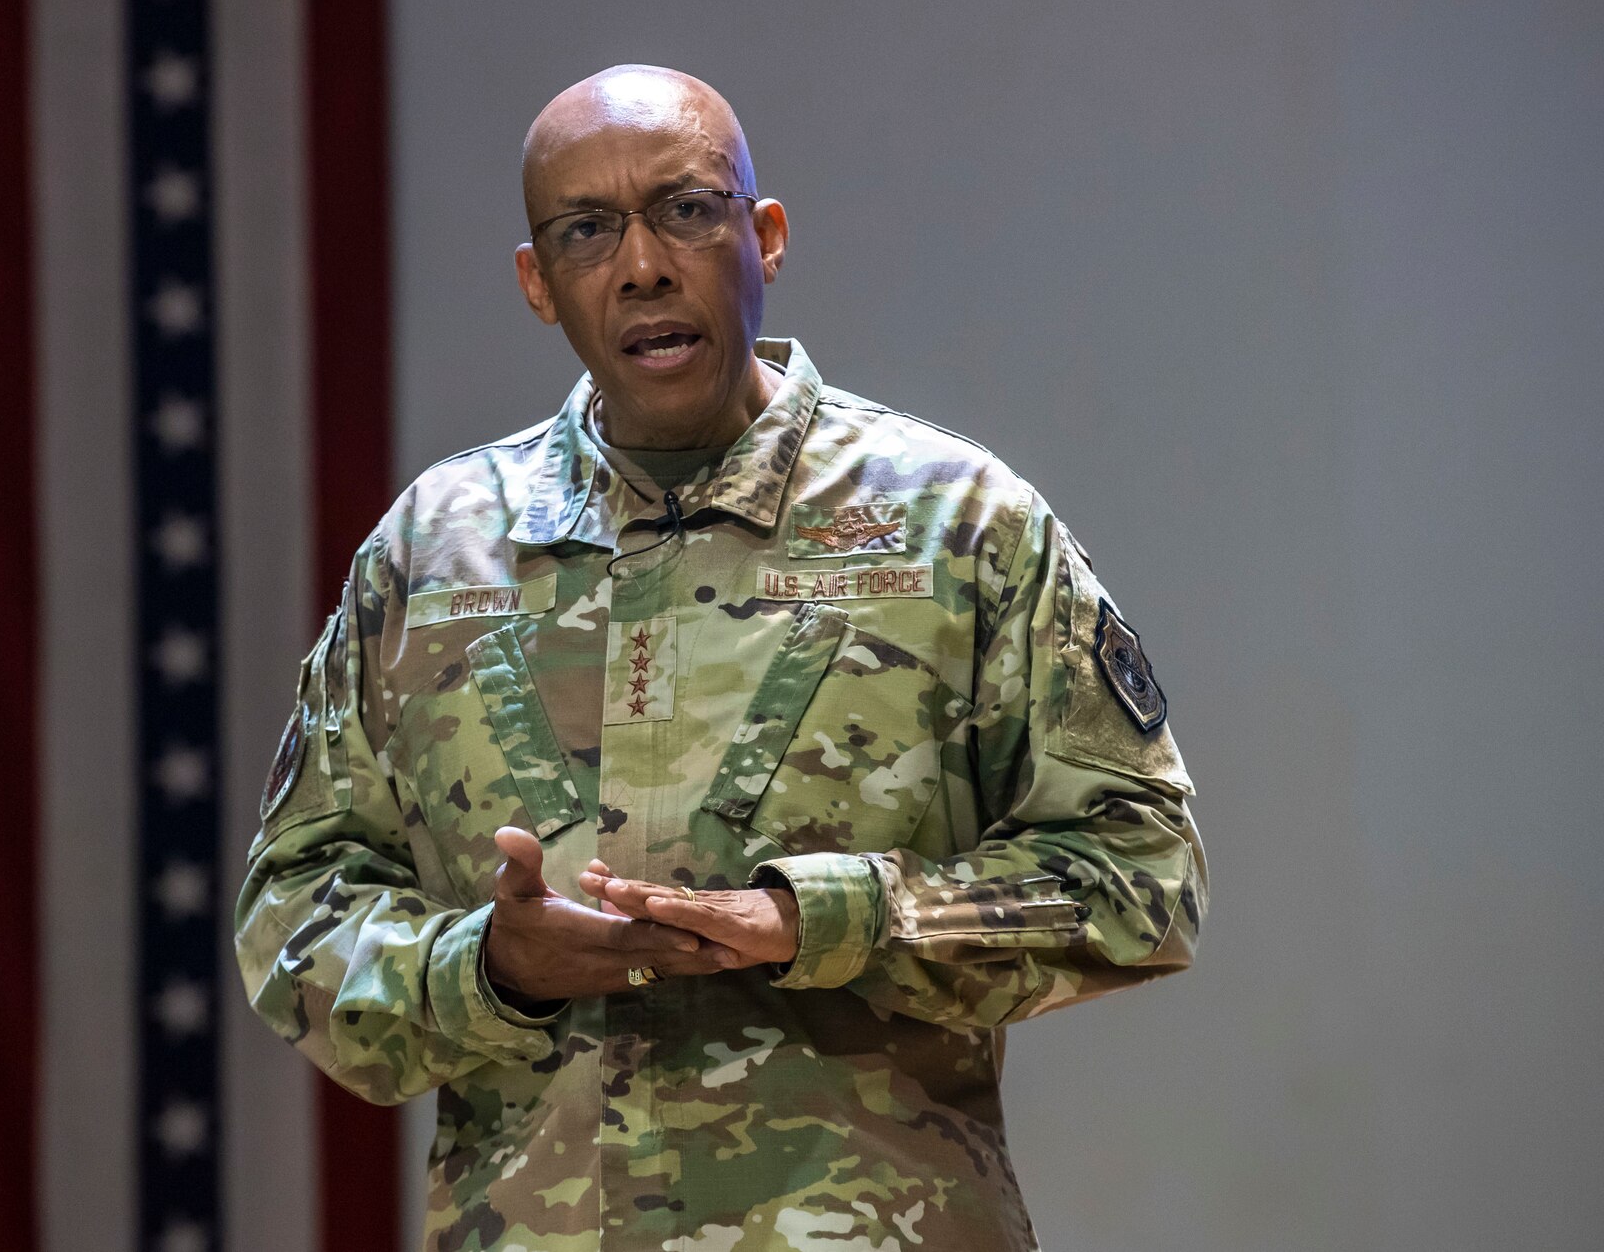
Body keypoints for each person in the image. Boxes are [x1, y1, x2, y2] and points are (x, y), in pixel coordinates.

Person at [235, 64, 1207, 1252]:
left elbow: (1143, 877)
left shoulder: (956, 525)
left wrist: (825, 921)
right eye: (587, 230)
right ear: (538, 284)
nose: (642, 263)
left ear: (766, 236)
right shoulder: (431, 555)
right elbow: (292, 913)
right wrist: (488, 965)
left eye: (685, 210)